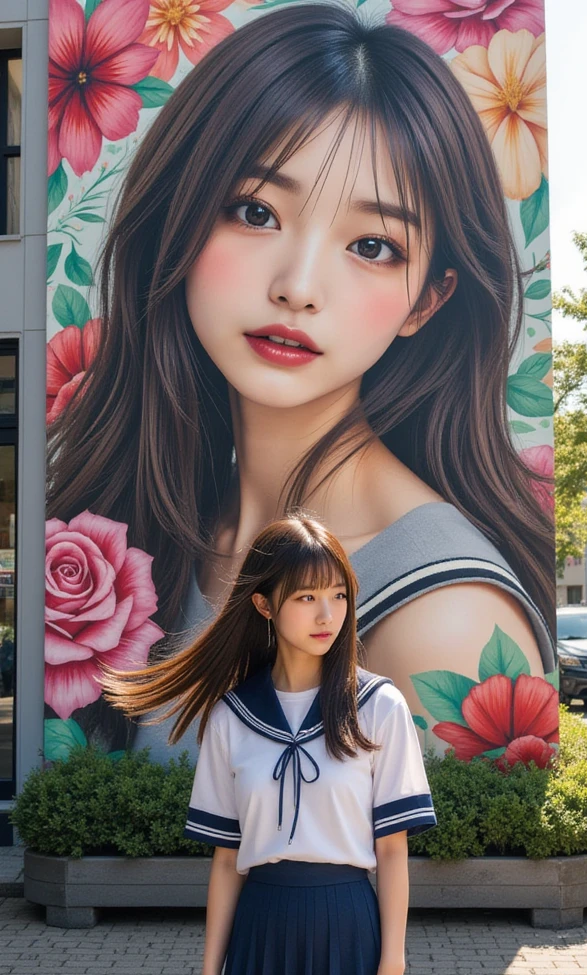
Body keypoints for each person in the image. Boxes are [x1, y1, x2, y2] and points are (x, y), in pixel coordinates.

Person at [46, 2, 556, 763]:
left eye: (373, 245)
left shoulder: (443, 621)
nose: (298, 286)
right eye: (255, 211)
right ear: (178, 220)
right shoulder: (168, 530)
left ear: (428, 299)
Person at [100, 514, 437, 975]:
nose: (327, 614)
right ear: (264, 604)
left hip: (347, 929)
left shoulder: (378, 706)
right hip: (260, 930)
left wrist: (392, 973)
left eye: (338, 595)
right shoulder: (231, 716)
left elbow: (392, 852)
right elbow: (224, 860)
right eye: (306, 598)